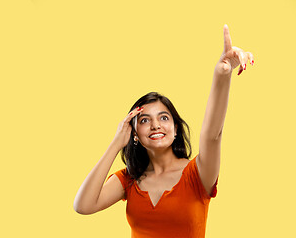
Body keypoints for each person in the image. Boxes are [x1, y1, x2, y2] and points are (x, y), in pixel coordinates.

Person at [73, 24, 254, 238]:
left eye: (164, 117)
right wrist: (115, 144)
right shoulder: (129, 179)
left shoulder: (197, 174)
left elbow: (212, 135)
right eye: (144, 120)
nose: (155, 125)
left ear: (175, 129)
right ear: (135, 134)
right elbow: (83, 206)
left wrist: (222, 75)